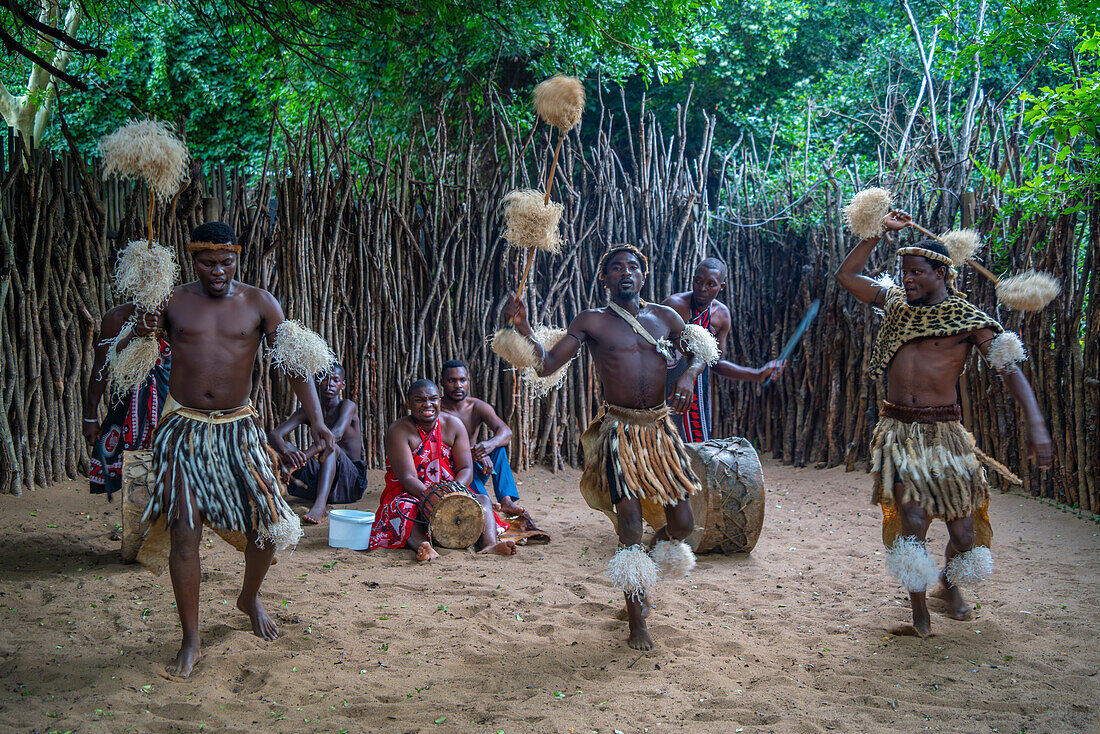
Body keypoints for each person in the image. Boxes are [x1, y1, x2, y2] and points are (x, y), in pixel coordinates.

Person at [122, 221, 336, 678]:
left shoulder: (260, 303)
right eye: (206, 262)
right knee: (185, 531)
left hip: (239, 429)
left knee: (269, 527)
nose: (217, 271)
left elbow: (295, 364)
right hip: (183, 430)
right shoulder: (172, 302)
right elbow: (123, 349)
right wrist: (140, 331)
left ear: (237, 258)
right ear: (191, 258)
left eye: (226, 262)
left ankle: (248, 596)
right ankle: (191, 640)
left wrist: (317, 420)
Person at [834, 209, 1053, 637]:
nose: (908, 279)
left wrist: (1037, 424)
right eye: (905, 272)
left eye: (916, 272)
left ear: (941, 273)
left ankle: (947, 586)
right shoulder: (896, 305)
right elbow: (847, 275)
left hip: (946, 436)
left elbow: (1010, 371)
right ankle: (919, 616)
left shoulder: (968, 320)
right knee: (911, 521)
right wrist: (877, 233)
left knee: (965, 534)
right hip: (898, 432)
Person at [502, 244, 718, 650]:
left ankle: (643, 575)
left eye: (633, 267)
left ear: (644, 276)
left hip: (659, 431)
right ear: (604, 279)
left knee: (684, 525)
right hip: (619, 433)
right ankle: (637, 621)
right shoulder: (592, 322)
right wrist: (524, 326)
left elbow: (701, 352)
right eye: (616, 268)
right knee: (631, 527)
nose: (625, 273)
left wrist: (689, 375)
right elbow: (547, 364)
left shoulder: (667, 318)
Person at [368, 379, 516, 561]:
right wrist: (435, 499)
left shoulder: (454, 425)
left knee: (483, 500)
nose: (427, 404)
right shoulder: (399, 430)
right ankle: (425, 546)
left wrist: (453, 494)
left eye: (433, 399)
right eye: (419, 400)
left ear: (440, 401)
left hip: (452, 490)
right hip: (411, 494)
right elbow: (407, 477)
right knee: (402, 508)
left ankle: (490, 545)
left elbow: (466, 468)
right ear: (408, 404)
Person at [662, 257, 783, 441]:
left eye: (711, 284)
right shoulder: (673, 306)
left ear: (722, 287)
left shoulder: (721, 316)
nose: (702, 288)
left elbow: (715, 363)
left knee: (696, 450)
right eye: (698, 281)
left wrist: (757, 374)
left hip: (697, 393)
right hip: (665, 389)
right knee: (662, 448)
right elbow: (653, 349)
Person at [83, 303, 171, 498]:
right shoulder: (117, 318)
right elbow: (101, 367)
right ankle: (138, 522)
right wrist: (90, 417)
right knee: (136, 485)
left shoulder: (182, 316)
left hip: (173, 414)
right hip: (126, 414)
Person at [438, 359, 538, 524]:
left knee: (498, 449)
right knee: (465, 462)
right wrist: (474, 453)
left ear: (468, 381)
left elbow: (506, 431)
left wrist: (487, 446)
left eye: (462, 380)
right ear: (442, 383)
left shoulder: (476, 407)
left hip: (477, 465)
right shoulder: (437, 409)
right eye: (452, 380)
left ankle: (506, 500)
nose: (458, 385)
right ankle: (483, 501)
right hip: (451, 471)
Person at [269, 363, 367, 524]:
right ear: (316, 383)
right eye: (324, 379)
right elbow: (274, 435)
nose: (330, 384)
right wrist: (288, 453)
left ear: (342, 385)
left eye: (335, 380)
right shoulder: (309, 412)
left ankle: (320, 507)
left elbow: (334, 436)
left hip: (350, 482)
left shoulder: (347, 406)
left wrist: (297, 464)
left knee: (331, 447)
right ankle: (272, 498)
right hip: (322, 478)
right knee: (283, 448)